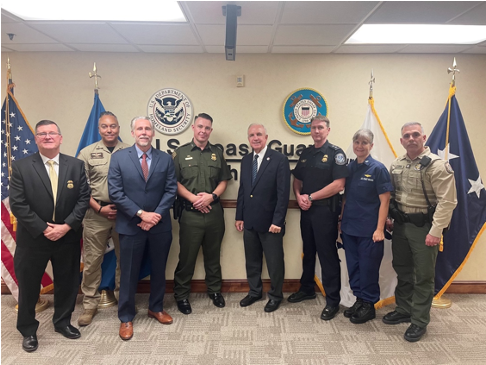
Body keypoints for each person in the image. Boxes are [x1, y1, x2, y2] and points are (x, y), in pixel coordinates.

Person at [10, 120, 90, 352]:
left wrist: (66, 226)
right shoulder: (22, 166)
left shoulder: (75, 165)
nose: (47, 137)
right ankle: (28, 330)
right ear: (35, 139)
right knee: (29, 286)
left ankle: (63, 322)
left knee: (67, 283)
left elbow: (83, 199)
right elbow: (18, 204)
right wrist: (45, 228)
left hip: (67, 236)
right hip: (33, 238)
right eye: (42, 134)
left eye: (52, 133)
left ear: (60, 138)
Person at [383, 122, 457, 342]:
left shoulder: (436, 165)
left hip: (425, 228)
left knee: (423, 275)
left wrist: (436, 231)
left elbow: (447, 202)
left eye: (416, 134)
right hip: (400, 226)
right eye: (407, 135)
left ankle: (419, 320)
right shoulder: (397, 164)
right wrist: (389, 217)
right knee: (403, 269)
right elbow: (392, 195)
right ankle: (404, 309)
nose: (411, 138)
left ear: (424, 137)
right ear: (402, 140)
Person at [108, 116, 177, 341]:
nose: (144, 132)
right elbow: (115, 192)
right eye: (140, 128)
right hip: (130, 224)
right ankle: (126, 317)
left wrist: (154, 216)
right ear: (133, 133)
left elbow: (170, 190)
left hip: (159, 225)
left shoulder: (165, 159)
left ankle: (156, 308)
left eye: (148, 128)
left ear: (153, 133)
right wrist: (141, 214)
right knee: (128, 272)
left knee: (159, 269)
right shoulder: (119, 158)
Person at [288, 115, 348, 320]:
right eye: (313, 128)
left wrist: (311, 197)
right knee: (308, 250)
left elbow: (339, 185)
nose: (316, 131)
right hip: (307, 211)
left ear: (328, 130)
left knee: (327, 255)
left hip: (325, 211)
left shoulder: (336, 154)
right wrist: (298, 196)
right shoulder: (306, 153)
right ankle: (307, 288)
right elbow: (297, 179)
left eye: (320, 128)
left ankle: (333, 300)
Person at [172, 113, 232, 314]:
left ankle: (215, 291)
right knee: (187, 257)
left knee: (213, 255)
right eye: (200, 126)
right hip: (190, 214)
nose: (203, 131)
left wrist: (211, 197)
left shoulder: (217, 153)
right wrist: (194, 199)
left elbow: (224, 180)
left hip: (214, 213)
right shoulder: (180, 153)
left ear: (211, 131)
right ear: (193, 128)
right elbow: (174, 182)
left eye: (207, 128)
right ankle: (181, 295)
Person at [77, 111, 130, 326]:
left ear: (119, 128)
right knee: (92, 262)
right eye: (105, 127)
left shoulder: (130, 151)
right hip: (95, 214)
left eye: (113, 126)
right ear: (99, 129)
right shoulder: (87, 153)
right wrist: (100, 209)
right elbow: (82, 188)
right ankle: (89, 305)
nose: (109, 130)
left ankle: (122, 299)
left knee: (125, 260)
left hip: (125, 214)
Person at [235, 124, 290, 312]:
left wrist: (278, 221)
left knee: (274, 262)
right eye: (251, 135)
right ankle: (254, 291)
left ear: (266, 137)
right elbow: (243, 189)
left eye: (259, 134)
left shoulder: (279, 159)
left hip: (270, 223)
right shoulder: (246, 160)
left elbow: (283, 194)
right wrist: (239, 216)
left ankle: (275, 295)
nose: (255, 138)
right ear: (248, 138)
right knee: (252, 260)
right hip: (249, 220)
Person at [340, 129, 393, 324]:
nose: (360, 146)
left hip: (370, 231)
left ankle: (369, 305)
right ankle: (359, 300)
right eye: (357, 142)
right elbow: (345, 198)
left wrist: (380, 229)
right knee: (354, 267)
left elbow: (385, 201)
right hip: (349, 228)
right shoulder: (350, 167)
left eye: (364, 142)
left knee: (368, 268)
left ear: (371, 146)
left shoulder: (378, 169)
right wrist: (341, 222)